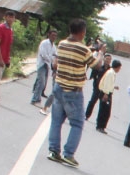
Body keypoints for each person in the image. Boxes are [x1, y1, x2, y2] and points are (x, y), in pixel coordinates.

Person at [46, 18, 101, 167]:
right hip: (74, 91)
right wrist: (100, 53)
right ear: (82, 32)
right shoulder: (84, 50)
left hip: (59, 86)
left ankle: (53, 151)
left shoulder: (62, 44)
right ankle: (68, 154)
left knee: (56, 121)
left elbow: (56, 63)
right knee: (77, 123)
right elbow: (97, 65)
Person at [29, 29, 57, 106]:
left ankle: (37, 99)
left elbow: (55, 55)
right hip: (42, 64)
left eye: (55, 36)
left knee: (43, 83)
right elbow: (43, 55)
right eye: (52, 35)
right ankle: (35, 99)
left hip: (48, 66)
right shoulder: (44, 43)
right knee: (41, 82)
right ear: (49, 35)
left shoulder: (54, 46)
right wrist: (51, 58)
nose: (54, 37)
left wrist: (54, 60)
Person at [92, 59, 121, 133]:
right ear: (117, 67)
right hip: (106, 93)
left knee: (105, 111)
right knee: (104, 111)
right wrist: (105, 94)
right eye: (119, 68)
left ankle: (101, 126)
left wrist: (114, 87)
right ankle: (100, 126)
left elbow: (108, 84)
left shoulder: (111, 72)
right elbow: (106, 84)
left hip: (106, 92)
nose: (119, 70)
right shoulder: (111, 73)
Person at [84, 54, 112, 119]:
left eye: (109, 59)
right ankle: (87, 115)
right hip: (97, 88)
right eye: (106, 59)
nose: (107, 60)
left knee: (102, 105)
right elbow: (93, 76)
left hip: (104, 90)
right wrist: (95, 84)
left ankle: (99, 120)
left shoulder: (110, 70)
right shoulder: (99, 68)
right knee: (92, 101)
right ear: (103, 59)